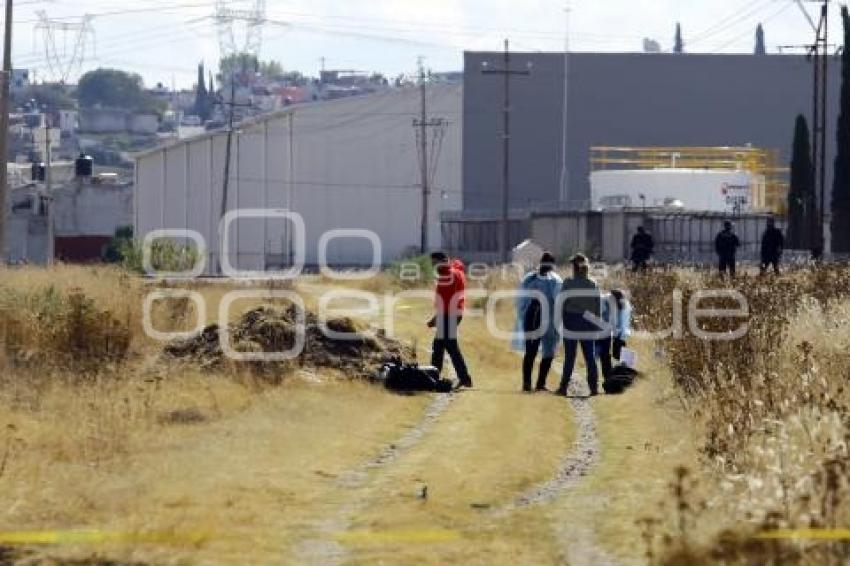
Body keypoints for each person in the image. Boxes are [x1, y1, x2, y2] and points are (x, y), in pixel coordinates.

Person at [514, 252, 562, 392]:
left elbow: (521, 300)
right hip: (544, 317)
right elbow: (558, 300)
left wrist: (523, 315)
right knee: (548, 351)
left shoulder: (530, 278)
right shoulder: (554, 280)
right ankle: (539, 383)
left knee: (531, 351)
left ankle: (528, 383)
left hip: (532, 316)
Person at [556, 254, 602, 397]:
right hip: (588, 322)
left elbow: (561, 303)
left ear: (574, 268)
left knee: (570, 357)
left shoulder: (568, 283)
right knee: (590, 357)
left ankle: (563, 387)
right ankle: (594, 388)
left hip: (571, 321)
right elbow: (597, 306)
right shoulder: (592, 283)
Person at [427, 251, 473, 389]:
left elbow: (445, 301)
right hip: (455, 313)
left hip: (448, 315)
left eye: (434, 263)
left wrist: (436, 318)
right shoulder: (457, 271)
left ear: (441, 261)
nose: (433, 266)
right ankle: (433, 376)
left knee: (450, 346)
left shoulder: (447, 275)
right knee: (439, 346)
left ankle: (464, 378)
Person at [596, 289, 632, 381]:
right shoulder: (608, 300)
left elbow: (620, 322)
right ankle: (613, 377)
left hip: (610, 332)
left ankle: (616, 377)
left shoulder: (619, 304)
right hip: (609, 332)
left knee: (608, 356)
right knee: (609, 356)